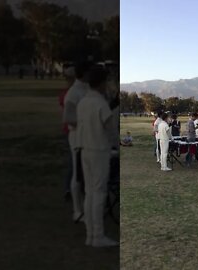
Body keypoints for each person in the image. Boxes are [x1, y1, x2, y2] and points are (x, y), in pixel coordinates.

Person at [76, 65, 117, 247]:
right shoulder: (100, 103)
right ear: (102, 83)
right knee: (99, 192)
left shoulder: (84, 102)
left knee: (90, 192)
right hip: (99, 150)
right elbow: (110, 130)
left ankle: (90, 235)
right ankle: (98, 235)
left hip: (85, 149)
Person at [63, 60, 92, 223]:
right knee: (77, 172)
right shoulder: (73, 93)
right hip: (77, 136)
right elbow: (67, 118)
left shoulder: (86, 89)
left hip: (88, 136)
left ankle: (86, 207)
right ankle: (77, 210)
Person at [59, 66, 76, 201]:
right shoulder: (70, 94)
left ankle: (70, 187)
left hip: (70, 130)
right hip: (72, 130)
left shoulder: (67, 93)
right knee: (73, 161)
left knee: (73, 161)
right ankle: (69, 188)